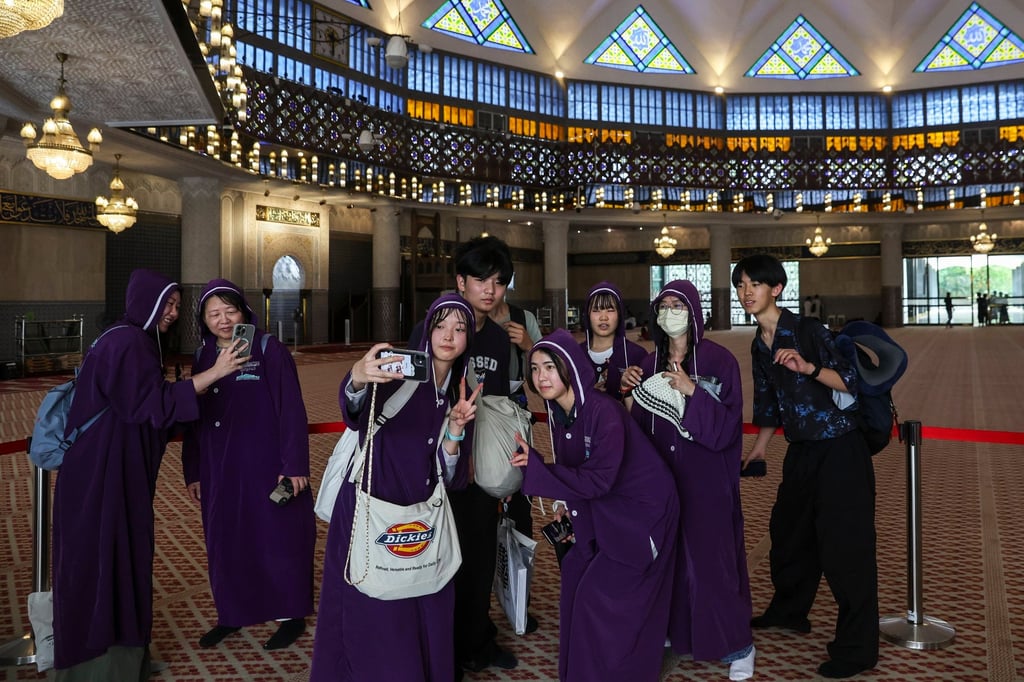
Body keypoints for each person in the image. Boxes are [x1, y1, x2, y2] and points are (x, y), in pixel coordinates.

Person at [50, 269, 247, 680]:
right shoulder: (128, 342)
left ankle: (124, 662)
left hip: (111, 471)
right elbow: (149, 405)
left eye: (176, 305)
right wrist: (214, 373)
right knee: (106, 562)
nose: (172, 313)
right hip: (103, 476)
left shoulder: (131, 338)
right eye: (167, 304)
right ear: (145, 301)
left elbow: (146, 410)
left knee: (121, 558)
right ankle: (99, 669)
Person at [310, 294, 481, 682]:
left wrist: (456, 430)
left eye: (459, 329)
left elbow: (450, 476)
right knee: (373, 611)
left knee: (428, 596)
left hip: (421, 518)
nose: (448, 336)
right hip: (371, 506)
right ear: (427, 330)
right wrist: (357, 376)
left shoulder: (460, 391)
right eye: (440, 325)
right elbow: (354, 413)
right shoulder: (398, 372)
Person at [732, 254, 878, 680]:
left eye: (755, 284)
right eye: (740, 284)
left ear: (776, 289)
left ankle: (857, 648)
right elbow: (768, 403)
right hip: (802, 451)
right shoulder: (759, 343)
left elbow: (852, 380)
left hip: (841, 449)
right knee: (789, 533)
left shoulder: (808, 331)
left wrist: (809, 366)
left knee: (845, 549)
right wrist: (760, 448)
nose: (746, 292)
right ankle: (790, 610)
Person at [509, 329, 679, 682]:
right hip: (607, 510)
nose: (541, 377)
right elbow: (581, 473)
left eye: (550, 367)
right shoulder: (561, 411)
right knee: (574, 577)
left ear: (570, 368)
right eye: (535, 369)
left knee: (596, 597)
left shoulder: (604, 411)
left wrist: (539, 470)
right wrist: (565, 504)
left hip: (642, 516)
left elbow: (600, 479)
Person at [620, 280, 755, 680]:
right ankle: (674, 634)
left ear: (694, 311)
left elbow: (726, 428)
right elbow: (636, 427)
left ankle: (738, 646)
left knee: (713, 562)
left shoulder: (719, 361)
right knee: (668, 560)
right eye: (664, 305)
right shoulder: (648, 363)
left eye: (678, 305)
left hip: (707, 480)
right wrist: (627, 392)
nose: (670, 312)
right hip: (662, 480)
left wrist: (692, 390)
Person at [181, 279, 315, 651]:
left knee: (278, 537)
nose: (223, 320)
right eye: (214, 314)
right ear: (203, 319)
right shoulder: (203, 355)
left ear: (244, 311)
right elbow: (194, 418)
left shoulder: (268, 349)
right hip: (220, 467)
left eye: (230, 311)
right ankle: (232, 612)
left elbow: (291, 409)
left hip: (267, 463)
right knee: (227, 539)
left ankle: (290, 614)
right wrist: (194, 470)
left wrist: (294, 464)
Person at [410, 236, 518, 675]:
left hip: (478, 471)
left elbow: (500, 407)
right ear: (460, 281)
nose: (490, 290)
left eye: (499, 282)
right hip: (437, 466)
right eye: (480, 280)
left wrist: (502, 469)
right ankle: (442, 652)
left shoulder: (497, 339)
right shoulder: (433, 329)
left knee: (478, 558)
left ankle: (477, 641)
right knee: (437, 559)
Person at [580, 280, 647, 400]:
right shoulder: (576, 354)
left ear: (619, 314)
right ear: (587, 315)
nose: (603, 317)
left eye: (610, 310)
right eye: (596, 310)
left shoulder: (636, 355)